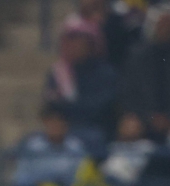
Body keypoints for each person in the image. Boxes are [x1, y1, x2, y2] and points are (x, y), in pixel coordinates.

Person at [43, 18, 117, 146]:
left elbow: (97, 109)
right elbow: (51, 105)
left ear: (91, 44)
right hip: (61, 129)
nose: (71, 45)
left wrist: (67, 106)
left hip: (94, 130)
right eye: (67, 40)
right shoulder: (58, 72)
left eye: (76, 40)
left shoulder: (106, 74)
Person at [119, 6, 170, 142]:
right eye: (162, 24)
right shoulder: (138, 57)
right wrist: (148, 117)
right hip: (143, 118)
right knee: (129, 126)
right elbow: (129, 92)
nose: (166, 29)